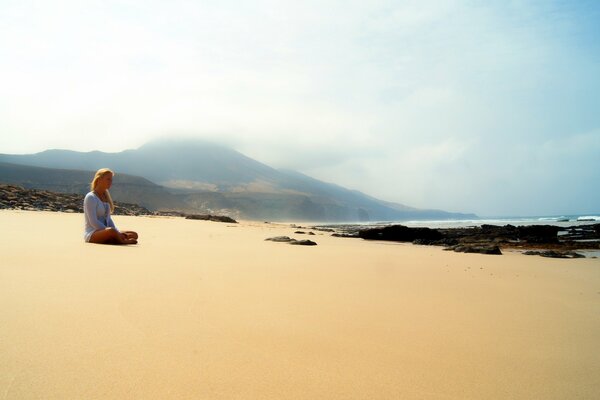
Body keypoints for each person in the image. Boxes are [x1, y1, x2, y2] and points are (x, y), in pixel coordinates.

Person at [84, 168, 138, 244]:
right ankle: (122, 241)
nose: (110, 182)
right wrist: (113, 232)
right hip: (93, 233)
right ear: (99, 180)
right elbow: (93, 222)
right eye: (108, 179)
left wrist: (117, 232)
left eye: (111, 180)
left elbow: (108, 219)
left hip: (107, 231)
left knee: (134, 234)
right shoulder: (91, 197)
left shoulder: (105, 197)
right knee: (111, 231)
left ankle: (113, 238)